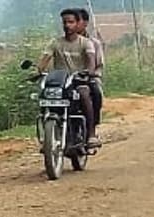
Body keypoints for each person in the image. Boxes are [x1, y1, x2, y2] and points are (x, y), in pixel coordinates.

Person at [37, 8, 99, 147]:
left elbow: (91, 61)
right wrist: (38, 70)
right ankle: (46, 135)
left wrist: (88, 72)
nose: (67, 25)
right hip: (60, 82)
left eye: (71, 22)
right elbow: (44, 59)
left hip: (78, 81)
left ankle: (91, 133)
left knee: (85, 93)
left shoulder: (85, 43)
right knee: (43, 96)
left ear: (78, 24)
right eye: (64, 22)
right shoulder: (55, 43)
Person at [78, 8, 104, 129]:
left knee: (96, 92)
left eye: (77, 21)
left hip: (88, 79)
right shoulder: (61, 43)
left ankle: (92, 125)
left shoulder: (94, 43)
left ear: (85, 23)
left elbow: (99, 64)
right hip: (67, 80)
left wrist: (91, 73)